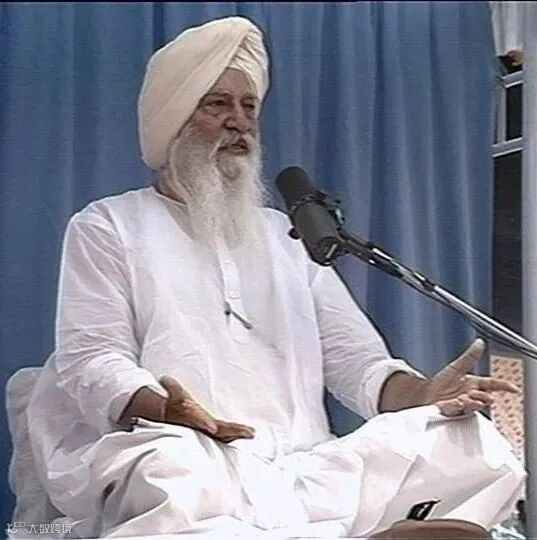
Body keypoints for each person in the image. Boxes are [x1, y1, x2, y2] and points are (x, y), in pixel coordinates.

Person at [27, 16, 525, 539]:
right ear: (173, 118)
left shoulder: (287, 235)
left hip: (305, 465)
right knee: (168, 471)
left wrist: (424, 393)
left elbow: (357, 362)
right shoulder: (108, 225)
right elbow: (92, 358)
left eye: (250, 107)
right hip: (193, 454)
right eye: (217, 104)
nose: (239, 122)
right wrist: (168, 410)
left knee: (464, 438)